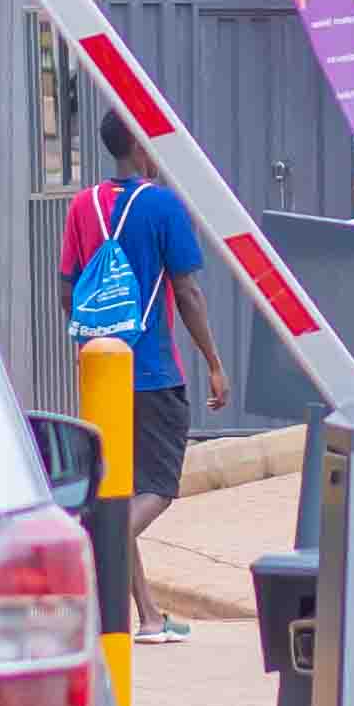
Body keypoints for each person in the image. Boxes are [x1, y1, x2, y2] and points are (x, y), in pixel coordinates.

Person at [58, 118, 228, 629]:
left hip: (100, 369)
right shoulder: (162, 204)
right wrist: (215, 364)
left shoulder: (81, 205)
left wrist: (91, 347)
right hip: (152, 370)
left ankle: (149, 617)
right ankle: (86, 553)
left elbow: (68, 290)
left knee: (118, 494)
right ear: (138, 144)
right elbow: (189, 292)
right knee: (157, 488)